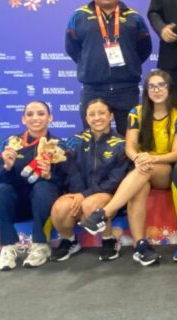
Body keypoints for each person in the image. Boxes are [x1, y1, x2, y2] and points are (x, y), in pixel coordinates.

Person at [80, 70, 177, 266]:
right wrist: (138, 158)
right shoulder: (136, 112)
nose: (157, 90)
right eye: (152, 86)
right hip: (142, 167)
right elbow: (130, 147)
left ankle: (104, 213)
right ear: (146, 90)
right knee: (139, 187)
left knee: (145, 170)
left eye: (161, 85)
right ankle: (140, 245)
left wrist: (150, 158)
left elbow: (176, 153)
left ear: (169, 88)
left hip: (165, 169)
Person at [65, 0, 152, 135]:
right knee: (93, 139)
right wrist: (90, 63)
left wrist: (129, 64)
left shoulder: (134, 17)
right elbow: (72, 48)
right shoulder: (79, 16)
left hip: (126, 90)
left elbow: (144, 49)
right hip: (93, 89)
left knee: (130, 138)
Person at [0, 101, 70, 270]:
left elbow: (67, 181)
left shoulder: (58, 146)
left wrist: (49, 175)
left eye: (41, 113)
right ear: (23, 119)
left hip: (44, 206)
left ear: (50, 118)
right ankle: (8, 246)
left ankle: (40, 244)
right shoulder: (8, 143)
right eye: (30, 114)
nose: (35, 118)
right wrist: (6, 167)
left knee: (43, 188)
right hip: (17, 206)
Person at [49, 99, 128, 262]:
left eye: (102, 113)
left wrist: (84, 195)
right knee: (59, 208)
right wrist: (78, 194)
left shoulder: (122, 144)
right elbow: (70, 171)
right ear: (86, 118)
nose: (97, 118)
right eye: (92, 114)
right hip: (79, 194)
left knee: (90, 205)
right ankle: (69, 241)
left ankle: (109, 240)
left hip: (107, 196)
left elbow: (115, 180)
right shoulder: (75, 141)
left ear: (111, 116)